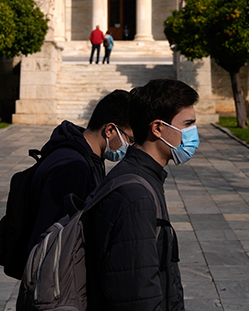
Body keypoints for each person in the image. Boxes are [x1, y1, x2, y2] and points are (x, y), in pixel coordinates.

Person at [84, 79, 200, 311]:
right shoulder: (136, 195)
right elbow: (137, 295)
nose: (193, 134)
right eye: (187, 125)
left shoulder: (143, 176)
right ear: (157, 128)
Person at [26, 90, 133, 257]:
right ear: (110, 130)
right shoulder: (73, 167)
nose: (130, 146)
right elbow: (50, 239)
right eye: (130, 139)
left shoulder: (89, 157)